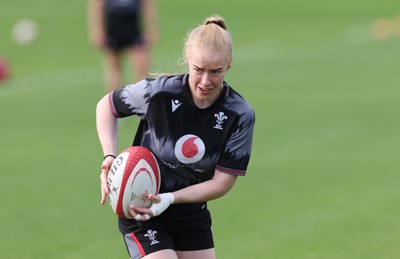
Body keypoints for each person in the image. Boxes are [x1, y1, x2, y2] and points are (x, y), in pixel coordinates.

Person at [96, 15, 255, 259]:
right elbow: (106, 107)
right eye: (198, 70)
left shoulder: (238, 114)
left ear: (230, 64)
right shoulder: (158, 93)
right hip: (142, 207)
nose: (205, 81)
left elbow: (222, 182)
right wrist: (109, 155)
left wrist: (170, 198)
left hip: (191, 214)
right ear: (188, 59)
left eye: (216, 71)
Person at [88, 0, 158, 92]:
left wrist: (151, 28)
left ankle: (139, 98)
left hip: (133, 25)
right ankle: (115, 102)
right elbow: (97, 5)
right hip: (113, 25)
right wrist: (97, 30)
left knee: (142, 65)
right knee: (114, 67)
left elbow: (146, 4)